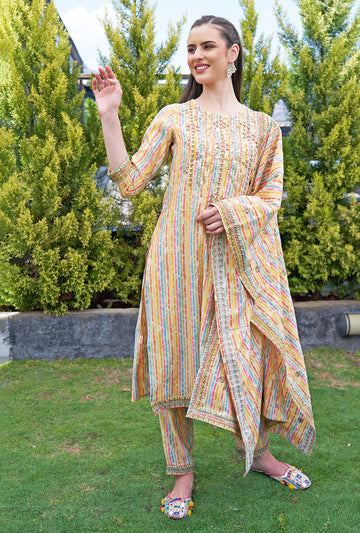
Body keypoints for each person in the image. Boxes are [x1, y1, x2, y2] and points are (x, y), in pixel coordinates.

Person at [93, 15, 315, 520]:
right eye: (191, 48)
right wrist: (109, 115)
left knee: (247, 352)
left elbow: (272, 195)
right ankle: (182, 471)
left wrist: (233, 211)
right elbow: (129, 183)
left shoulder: (263, 127)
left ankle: (258, 453)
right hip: (176, 259)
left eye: (207, 46)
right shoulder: (174, 116)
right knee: (174, 357)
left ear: (232, 53)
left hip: (237, 262)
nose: (196, 56)